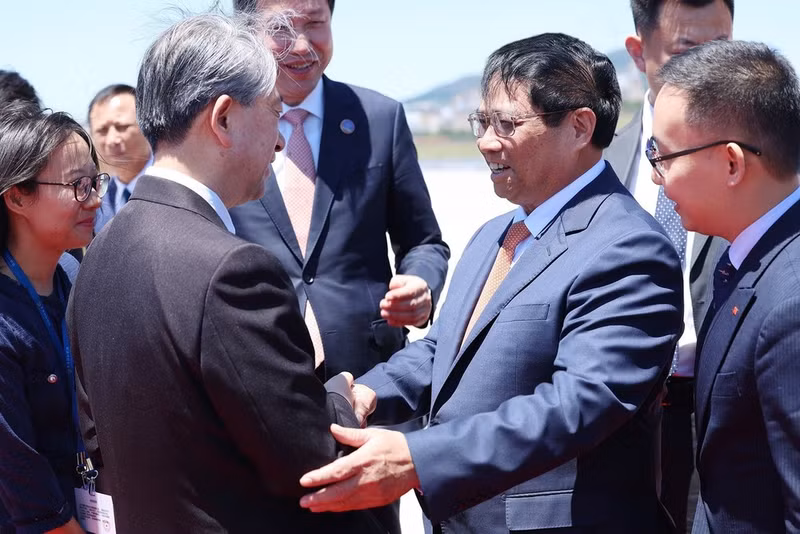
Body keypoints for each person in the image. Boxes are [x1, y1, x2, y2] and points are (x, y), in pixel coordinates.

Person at [297, 33, 684, 534]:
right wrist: (370, 392)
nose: (485, 141)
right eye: (482, 122)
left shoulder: (629, 248)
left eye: (507, 124)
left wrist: (419, 457)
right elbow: (446, 348)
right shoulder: (495, 234)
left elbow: (579, 404)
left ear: (579, 126)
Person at [67, 13, 385, 533]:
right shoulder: (232, 271)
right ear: (223, 119)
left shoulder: (100, 253)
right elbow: (311, 458)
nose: (282, 142)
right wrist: (341, 395)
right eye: (274, 114)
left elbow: (99, 438)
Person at [229, 0, 450, 382]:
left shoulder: (379, 119)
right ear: (246, 31)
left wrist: (422, 286)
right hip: (255, 371)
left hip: (374, 374)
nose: (301, 46)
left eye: (315, 24)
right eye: (281, 29)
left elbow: (424, 242)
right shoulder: (224, 123)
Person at [651, 39, 800, 534]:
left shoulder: (791, 306)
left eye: (665, 156)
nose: (658, 178)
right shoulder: (749, 258)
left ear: (732, 164)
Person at [603, 1, 733, 530]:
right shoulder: (598, 156)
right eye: (686, 52)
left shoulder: (772, 161)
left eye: (722, 50)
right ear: (639, 52)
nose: (710, 70)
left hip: (722, 411)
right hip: (615, 412)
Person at [0, 103, 107, 533]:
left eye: (95, 181)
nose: (95, 199)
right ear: (17, 196)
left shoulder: (75, 273)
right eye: (77, 186)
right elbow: (25, 490)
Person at [87, 84, 153, 232]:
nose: (112, 140)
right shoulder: (95, 202)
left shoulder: (173, 186)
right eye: (102, 131)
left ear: (146, 126)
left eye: (122, 127)